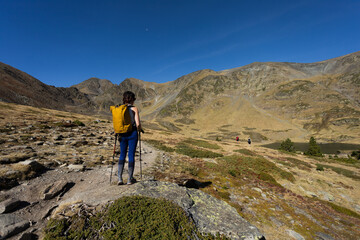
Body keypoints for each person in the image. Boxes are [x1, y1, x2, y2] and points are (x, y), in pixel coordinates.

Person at [118, 91, 142, 185]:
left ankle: (120, 178)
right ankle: (129, 179)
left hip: (122, 134)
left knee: (122, 155)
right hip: (132, 134)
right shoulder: (134, 108)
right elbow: (138, 123)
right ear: (132, 99)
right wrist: (139, 129)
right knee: (131, 155)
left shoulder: (119, 108)